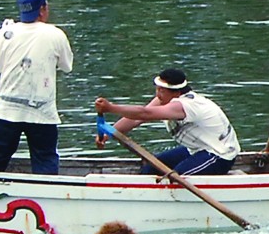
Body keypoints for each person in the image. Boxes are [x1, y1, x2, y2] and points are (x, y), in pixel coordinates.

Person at [0, 0, 74, 175]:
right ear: (43, 10)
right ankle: (47, 189)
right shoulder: (55, 34)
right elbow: (66, 66)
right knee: (45, 159)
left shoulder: (7, 32)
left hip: (7, 108)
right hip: (42, 111)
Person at [93, 68, 243, 175]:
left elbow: (144, 113)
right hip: (196, 149)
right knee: (151, 167)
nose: (158, 94)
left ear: (177, 92)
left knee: (175, 179)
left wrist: (110, 108)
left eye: (162, 91)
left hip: (219, 155)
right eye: (157, 89)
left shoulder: (185, 105)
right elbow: (137, 118)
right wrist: (108, 134)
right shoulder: (164, 99)